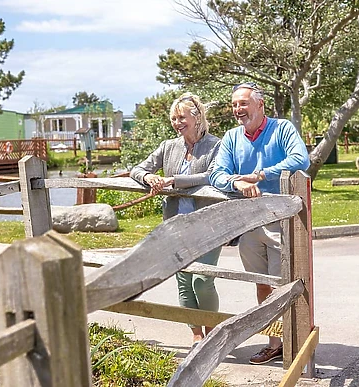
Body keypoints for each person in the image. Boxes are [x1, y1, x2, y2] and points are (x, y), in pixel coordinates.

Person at [209, 82, 310, 365]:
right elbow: (216, 173)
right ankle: (274, 342)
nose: (238, 110)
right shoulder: (231, 137)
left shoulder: (282, 129)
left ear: (259, 105)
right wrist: (236, 181)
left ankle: (294, 341)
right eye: (234, 105)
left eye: (243, 103)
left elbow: (300, 159)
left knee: (283, 282)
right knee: (261, 283)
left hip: (280, 219)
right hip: (249, 221)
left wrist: (260, 175)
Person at [130, 93, 222, 349]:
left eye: (182, 117)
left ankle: (211, 328)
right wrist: (149, 178)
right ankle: (196, 333)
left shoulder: (216, 145)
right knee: (184, 282)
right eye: (174, 118)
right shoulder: (168, 146)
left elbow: (213, 175)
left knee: (202, 281)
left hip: (208, 224)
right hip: (176, 226)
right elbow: (138, 168)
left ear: (197, 117)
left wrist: (173, 181)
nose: (177, 122)